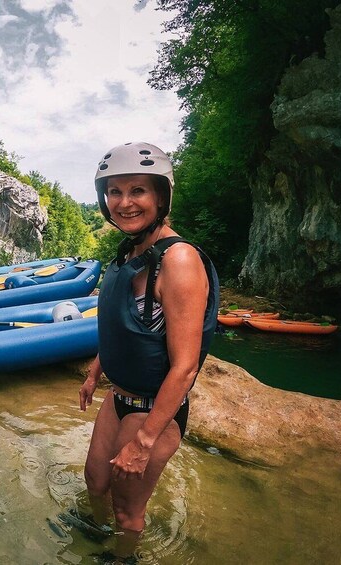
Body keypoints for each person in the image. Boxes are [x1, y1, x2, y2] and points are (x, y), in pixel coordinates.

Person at [78, 142, 219, 556]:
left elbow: (186, 366)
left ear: (160, 195)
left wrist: (144, 441)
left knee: (127, 509)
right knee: (95, 482)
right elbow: (129, 328)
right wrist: (94, 373)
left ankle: (122, 557)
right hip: (118, 396)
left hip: (153, 409)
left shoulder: (178, 260)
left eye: (137, 190)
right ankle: (96, 539)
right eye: (114, 192)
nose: (124, 203)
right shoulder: (131, 252)